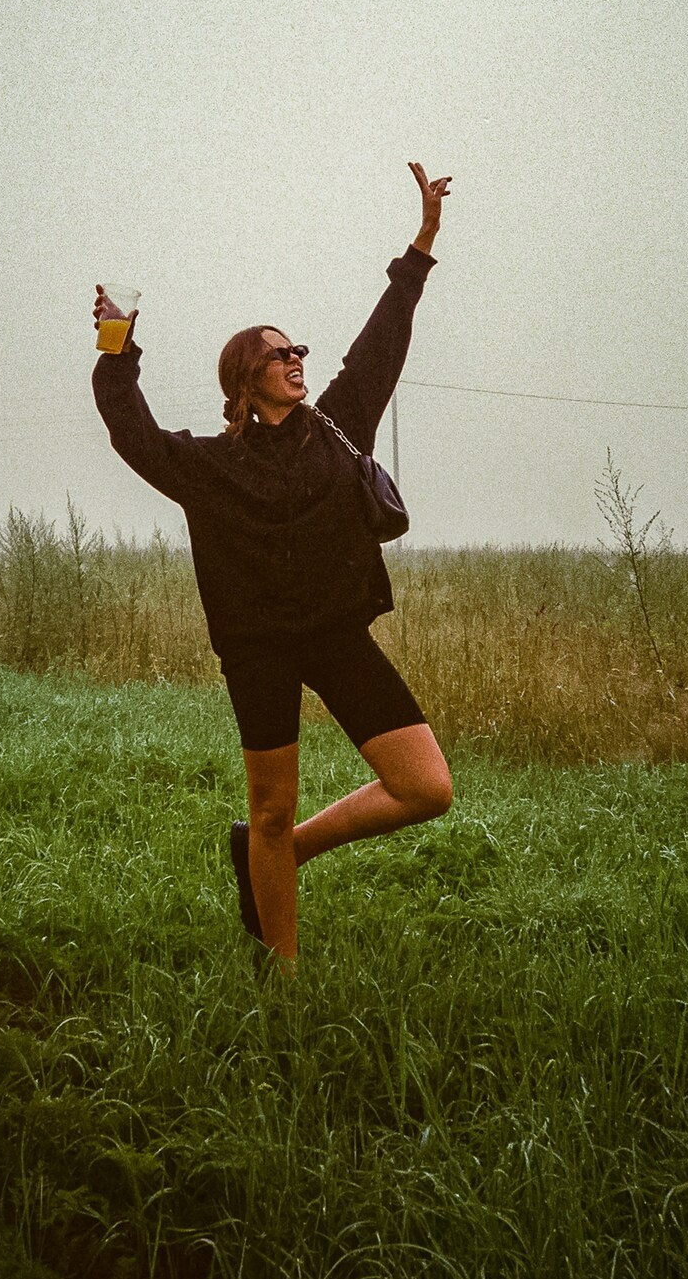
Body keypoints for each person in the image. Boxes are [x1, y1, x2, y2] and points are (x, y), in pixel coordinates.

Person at [92, 161, 454, 972]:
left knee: (426, 787)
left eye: (298, 350)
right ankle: (281, 978)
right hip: (257, 647)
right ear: (245, 382)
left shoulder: (338, 426)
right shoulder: (209, 466)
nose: (296, 359)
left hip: (335, 636)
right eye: (278, 354)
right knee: (267, 808)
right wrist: (118, 348)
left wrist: (420, 247)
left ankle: (283, 853)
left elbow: (382, 340)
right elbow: (133, 435)